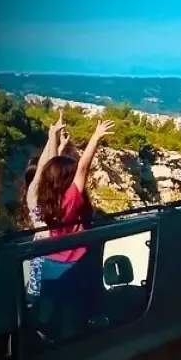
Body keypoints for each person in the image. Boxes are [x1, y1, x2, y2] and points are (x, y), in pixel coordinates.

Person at [35, 119, 114, 336]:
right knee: (71, 318)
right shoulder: (71, 200)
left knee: (50, 313)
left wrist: (57, 140)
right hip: (74, 262)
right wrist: (96, 137)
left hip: (51, 262)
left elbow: (47, 168)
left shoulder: (44, 199)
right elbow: (83, 167)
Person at [21, 111, 73, 302]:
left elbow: (51, 166)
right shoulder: (37, 194)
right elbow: (47, 166)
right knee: (45, 297)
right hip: (50, 253)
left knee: (41, 296)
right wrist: (53, 136)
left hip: (45, 252)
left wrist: (59, 144)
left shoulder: (40, 196)